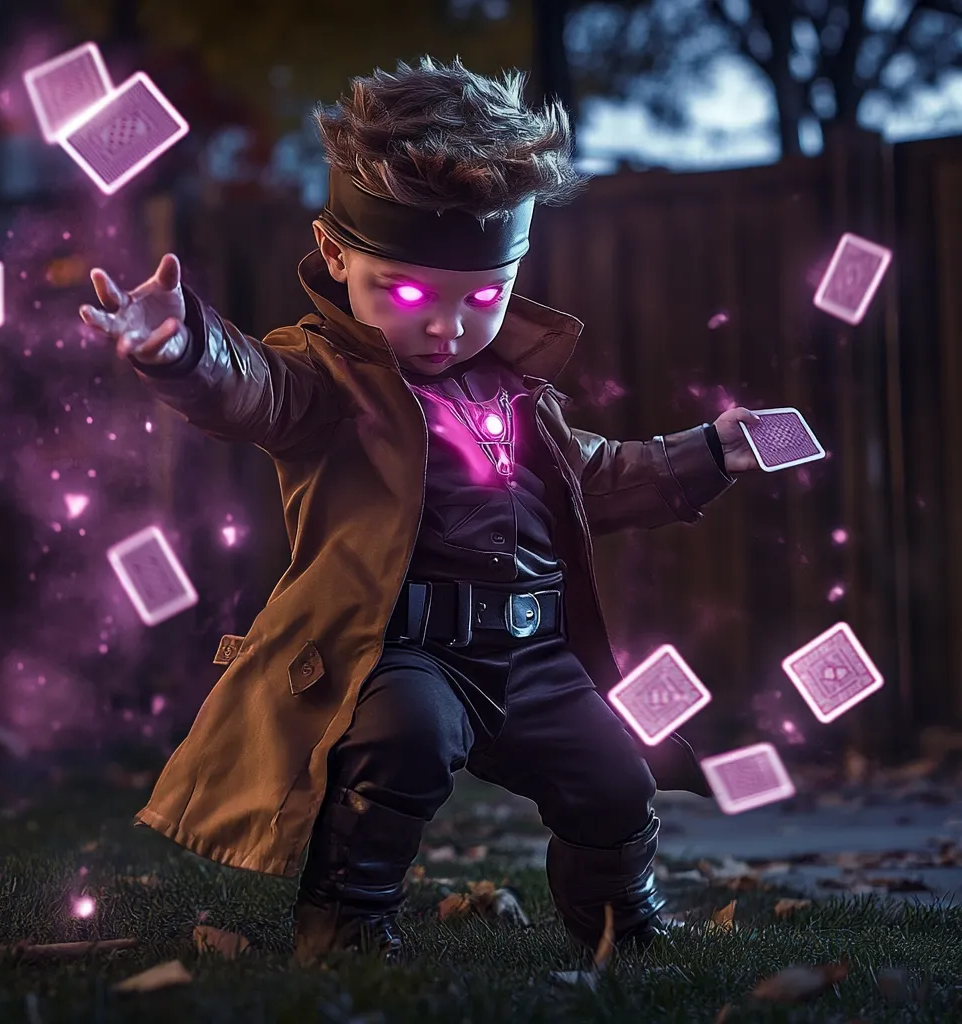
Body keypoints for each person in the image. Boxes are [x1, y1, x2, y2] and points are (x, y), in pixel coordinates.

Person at [79, 55, 762, 967]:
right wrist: (183, 350)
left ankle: (621, 924)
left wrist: (707, 451)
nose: (446, 327)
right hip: (403, 653)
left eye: (483, 298)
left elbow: (596, 476)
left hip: (530, 654)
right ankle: (349, 923)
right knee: (405, 737)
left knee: (614, 777)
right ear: (335, 255)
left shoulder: (517, 393)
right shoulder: (325, 374)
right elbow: (254, 389)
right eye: (405, 294)